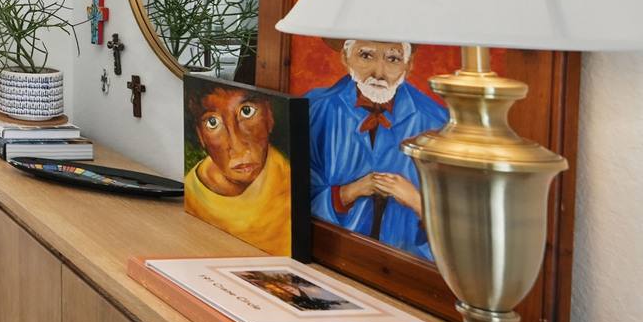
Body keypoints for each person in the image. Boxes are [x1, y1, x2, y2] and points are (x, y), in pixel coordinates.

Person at [304, 39, 448, 262]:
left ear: (408, 65)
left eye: (393, 59)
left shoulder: (437, 122)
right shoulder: (316, 108)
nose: (378, 73)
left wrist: (418, 202)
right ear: (345, 57)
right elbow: (292, 199)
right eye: (366, 56)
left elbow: (462, 229)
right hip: (328, 256)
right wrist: (351, 191)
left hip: (408, 269)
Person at [184, 84, 294, 255]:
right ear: (201, 137)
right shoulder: (192, 197)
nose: (237, 147)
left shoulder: (288, 178)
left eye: (247, 112)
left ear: (269, 116)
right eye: (213, 123)